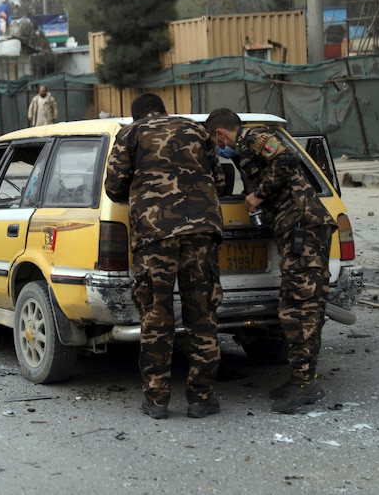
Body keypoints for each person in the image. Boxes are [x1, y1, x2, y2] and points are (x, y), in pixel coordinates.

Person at [205, 108, 337, 414]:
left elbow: (288, 158)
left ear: (220, 134)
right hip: (296, 228)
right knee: (296, 305)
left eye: (213, 144)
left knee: (299, 307)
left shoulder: (252, 136)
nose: (216, 150)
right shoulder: (241, 151)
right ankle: (299, 380)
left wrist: (260, 194)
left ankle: (304, 384)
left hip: (303, 226)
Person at [105, 93, 225, 420]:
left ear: (136, 117)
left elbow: (114, 187)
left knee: (157, 317)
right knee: (202, 314)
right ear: (164, 111)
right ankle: (201, 398)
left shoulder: (131, 134)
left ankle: (157, 400)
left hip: (154, 234)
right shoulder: (196, 129)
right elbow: (222, 180)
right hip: (202, 232)